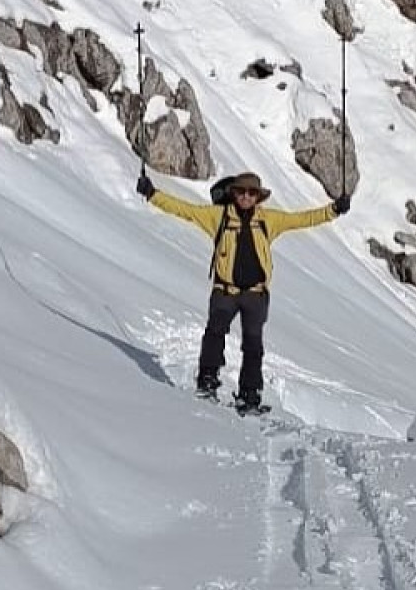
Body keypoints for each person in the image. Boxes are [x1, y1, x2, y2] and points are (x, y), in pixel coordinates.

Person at [137, 170, 350, 413]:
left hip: (255, 294)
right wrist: (152, 194)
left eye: (251, 193)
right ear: (233, 193)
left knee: (253, 345)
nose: (246, 197)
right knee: (214, 334)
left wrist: (334, 210)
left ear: (258, 197)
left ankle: (249, 396)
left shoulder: (269, 220)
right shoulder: (218, 217)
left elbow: (302, 219)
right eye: (241, 192)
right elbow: (184, 210)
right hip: (224, 291)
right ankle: (207, 383)